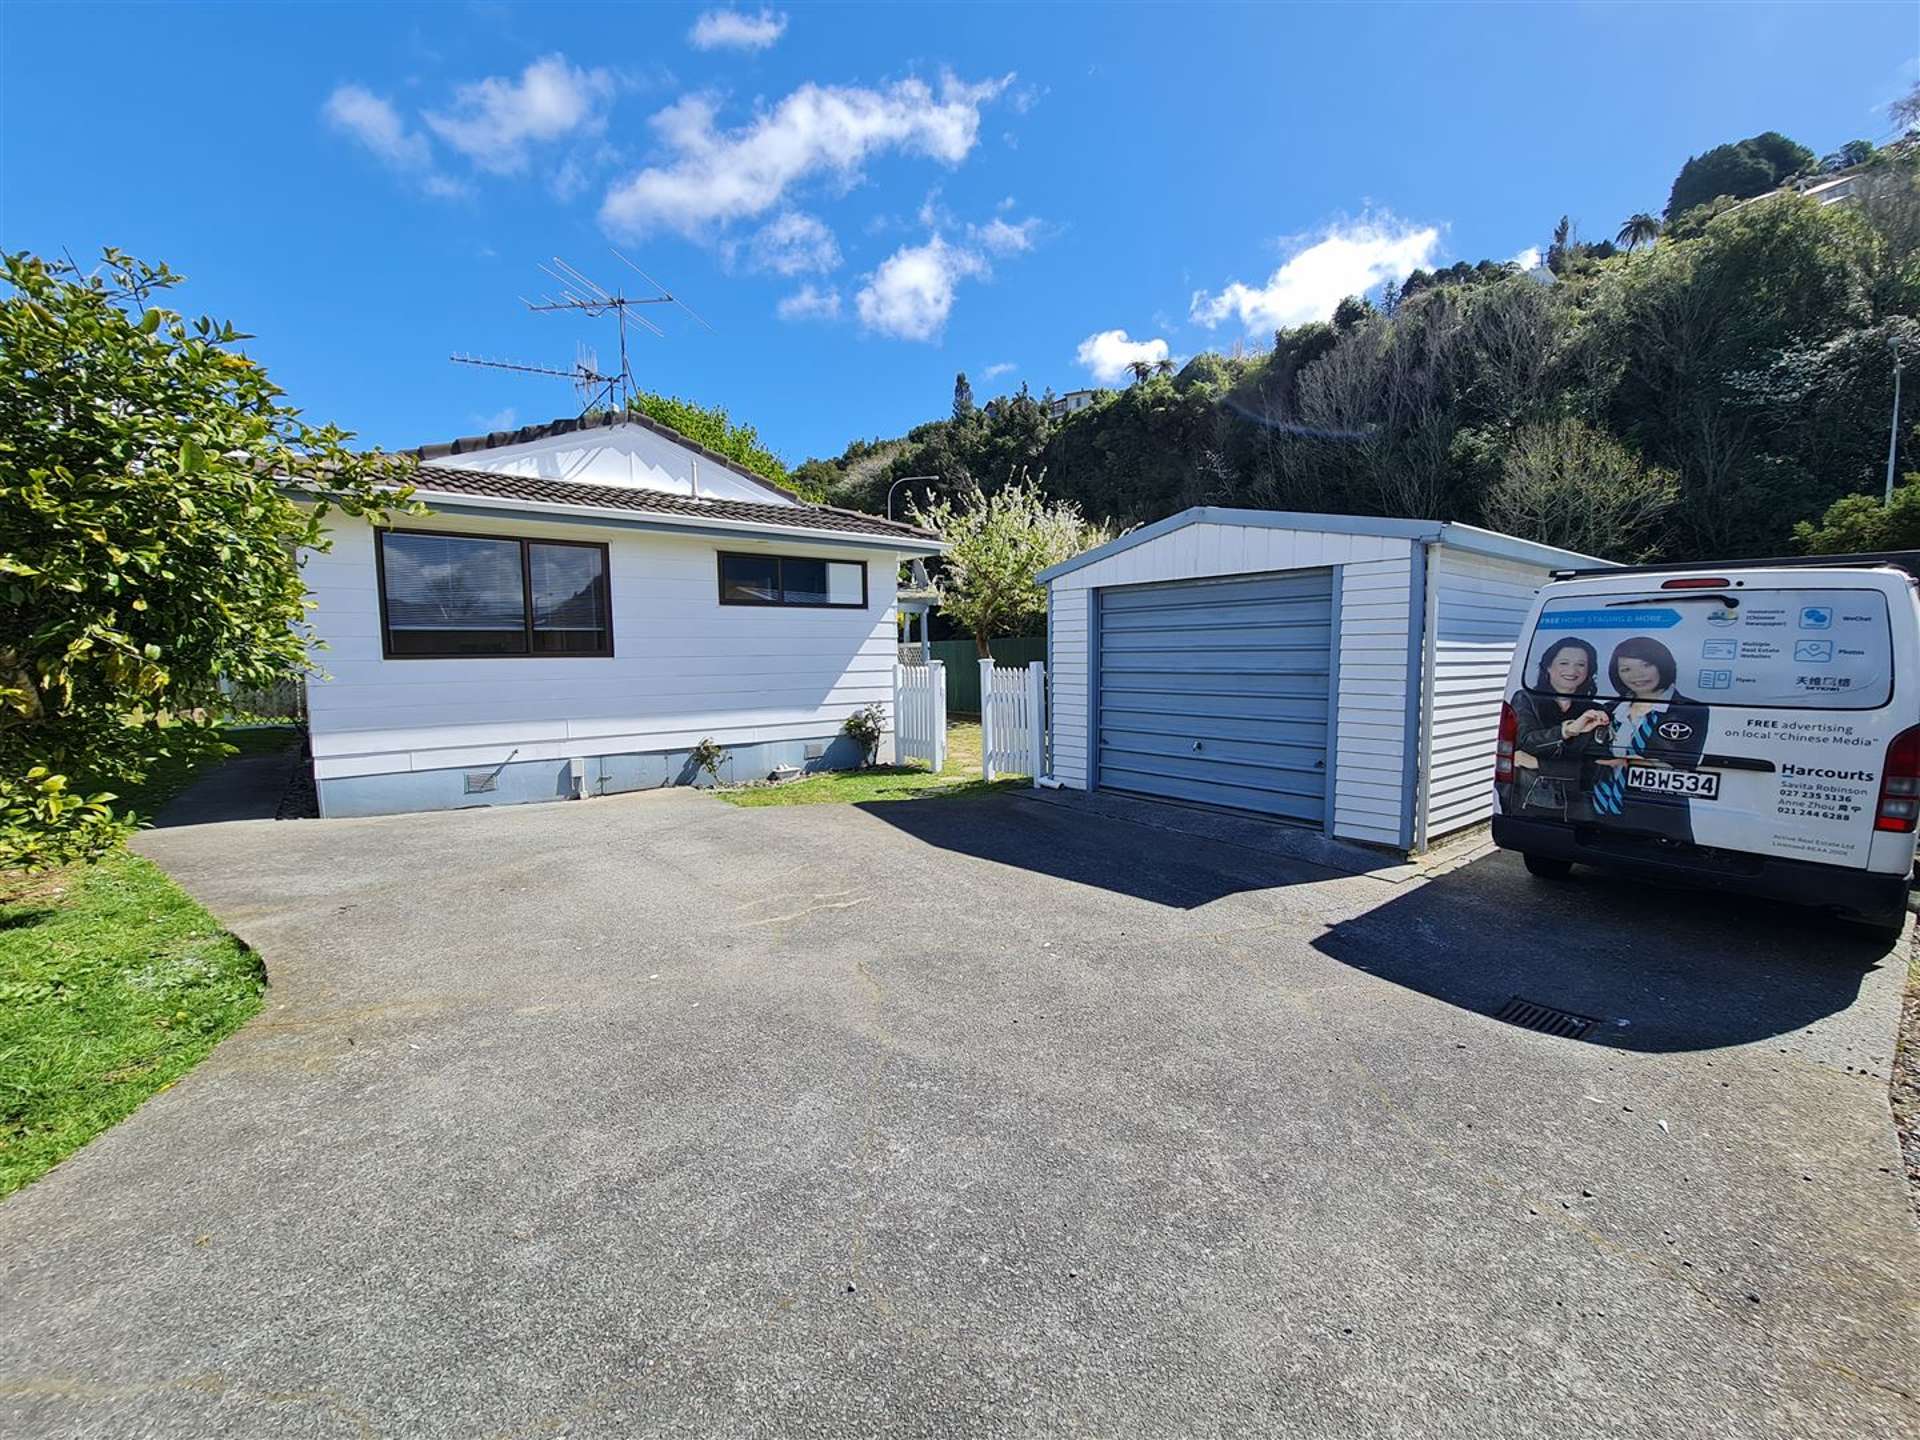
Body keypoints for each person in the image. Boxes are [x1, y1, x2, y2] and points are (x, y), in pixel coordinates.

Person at [1589, 636, 1709, 843]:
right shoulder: (1609, 709)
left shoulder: (1689, 711)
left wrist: (1630, 762)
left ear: (1662, 665)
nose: (1637, 675)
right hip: (1599, 809)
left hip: (1656, 816)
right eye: (1626, 669)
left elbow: (1682, 765)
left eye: (1646, 665)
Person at [1507, 636, 1611, 820]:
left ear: (1589, 671)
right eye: (1564, 662)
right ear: (1548, 666)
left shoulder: (1596, 712)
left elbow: (1597, 768)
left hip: (1581, 806)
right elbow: (1525, 743)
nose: (1572, 670)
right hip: (1531, 801)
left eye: (1581, 664)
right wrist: (1567, 730)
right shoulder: (1527, 699)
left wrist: (1539, 764)